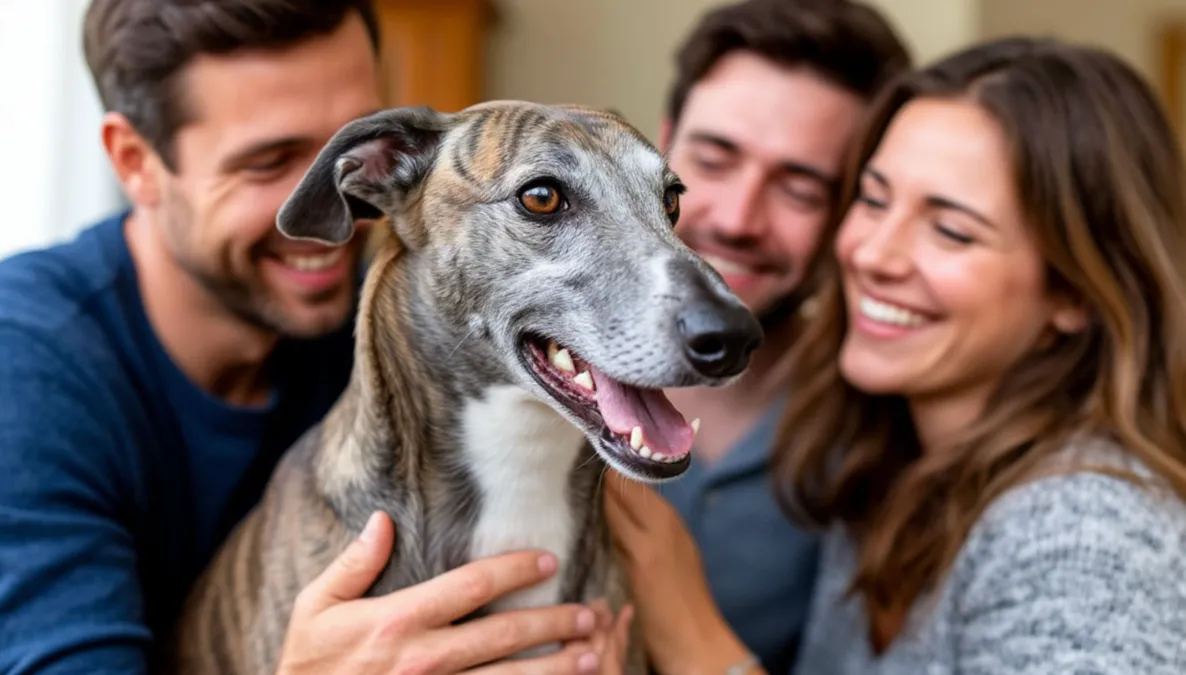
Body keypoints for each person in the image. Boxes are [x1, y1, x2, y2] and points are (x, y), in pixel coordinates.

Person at [0, 2, 618, 673]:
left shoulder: (405, 318)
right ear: (136, 161)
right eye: (269, 161)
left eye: (354, 150)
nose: (338, 203)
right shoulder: (28, 369)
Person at [609, 35, 1186, 674]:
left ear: (1074, 289)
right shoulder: (882, 467)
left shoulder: (1086, 537)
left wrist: (696, 641)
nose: (873, 254)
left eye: (951, 230)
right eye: (875, 199)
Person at [615, 1, 910, 672]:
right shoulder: (527, 369)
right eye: (714, 161)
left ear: (853, 206)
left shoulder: (884, 437)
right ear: (662, 145)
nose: (740, 219)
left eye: (800, 188)